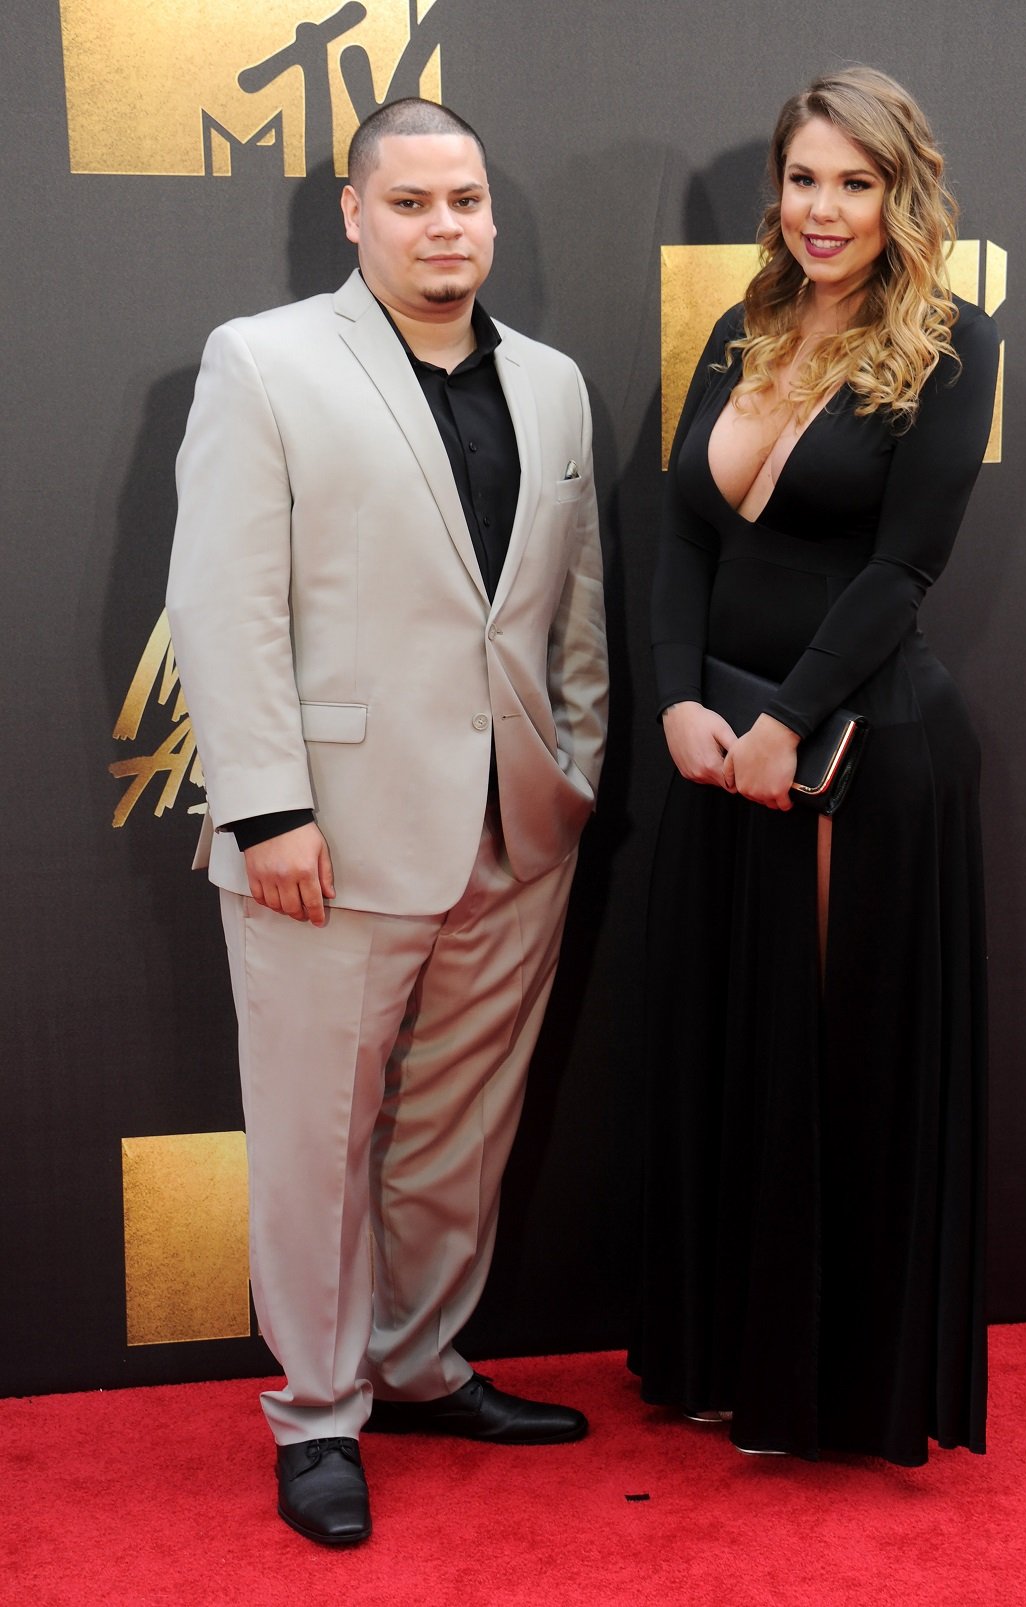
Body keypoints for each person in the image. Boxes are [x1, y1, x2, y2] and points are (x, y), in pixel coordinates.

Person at [166, 98, 607, 1544]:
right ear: (355, 215)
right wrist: (267, 810)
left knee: (458, 1131)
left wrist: (572, 772)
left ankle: (419, 1366)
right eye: (410, 203)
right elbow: (222, 604)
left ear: (493, 215)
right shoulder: (265, 361)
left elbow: (573, 610)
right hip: (328, 839)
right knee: (314, 1138)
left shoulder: (553, 385)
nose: (443, 228)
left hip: (515, 834)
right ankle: (316, 1411)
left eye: (464, 200)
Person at [629, 66, 999, 1465]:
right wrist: (676, 701)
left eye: (857, 182)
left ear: (905, 194)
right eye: (804, 180)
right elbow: (684, 532)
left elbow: (906, 565)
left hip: (856, 750)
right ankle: (727, 1358)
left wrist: (787, 723)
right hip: (721, 746)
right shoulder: (747, 327)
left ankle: (827, 1390)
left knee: (827, 1064)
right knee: (738, 1054)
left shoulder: (954, 343)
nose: (824, 209)